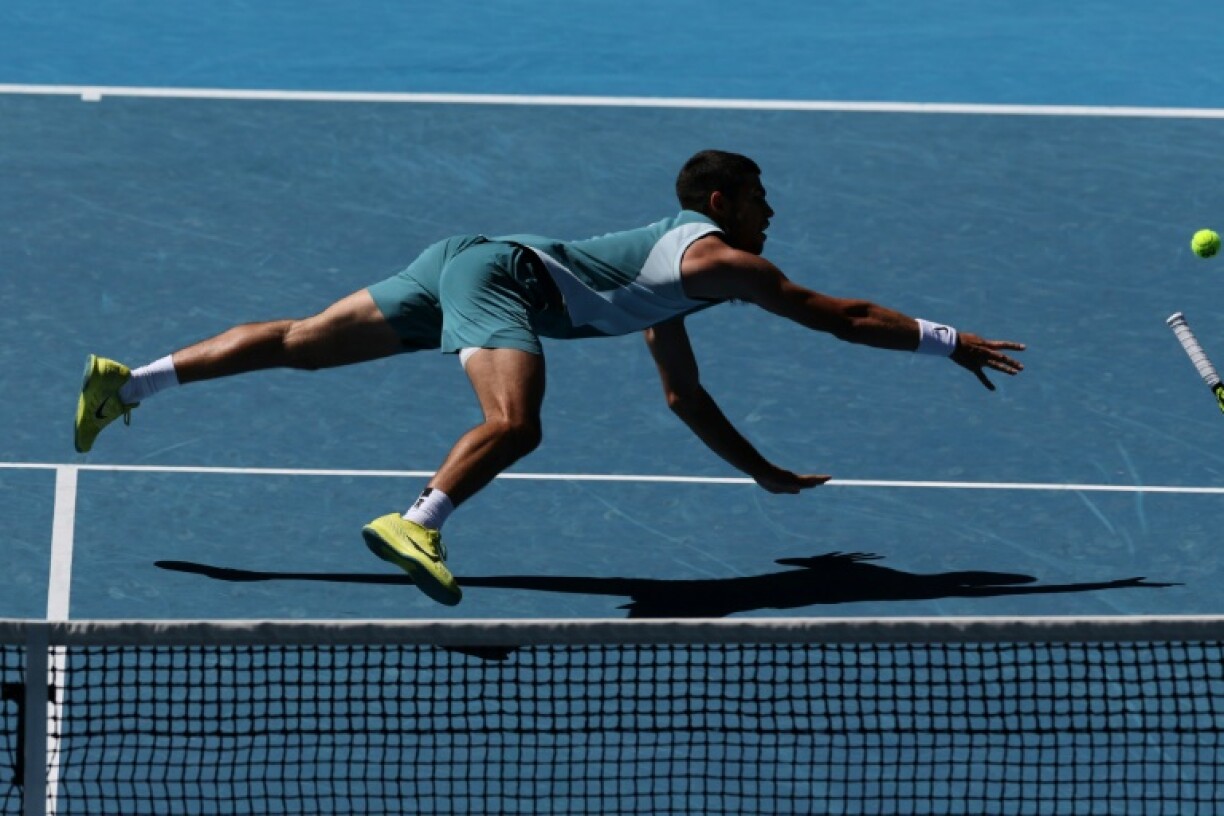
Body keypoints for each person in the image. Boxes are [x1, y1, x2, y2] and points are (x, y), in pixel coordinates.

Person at [73, 149, 1025, 606]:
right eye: (765, 200)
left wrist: (761, 472)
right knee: (516, 425)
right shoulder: (725, 264)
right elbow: (842, 317)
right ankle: (417, 520)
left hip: (467, 255)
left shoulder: (671, 281)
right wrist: (948, 340)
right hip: (506, 280)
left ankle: (129, 383)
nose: (772, 216)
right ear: (723, 202)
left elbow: (683, 394)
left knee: (298, 341)